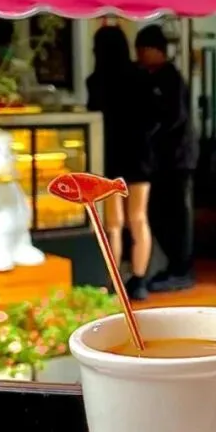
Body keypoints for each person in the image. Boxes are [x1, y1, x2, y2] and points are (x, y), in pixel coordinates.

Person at [86, 23, 153, 295]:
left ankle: (114, 284)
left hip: (110, 155)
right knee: (139, 218)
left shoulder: (95, 81)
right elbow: (152, 116)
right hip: (139, 155)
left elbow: (95, 117)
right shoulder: (141, 76)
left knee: (113, 224)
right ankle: (140, 281)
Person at [135, 23, 199, 293]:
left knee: (176, 216)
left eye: (142, 50)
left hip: (178, 160)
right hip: (163, 161)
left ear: (155, 50)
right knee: (160, 214)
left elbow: (175, 118)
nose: (139, 55)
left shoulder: (170, 78)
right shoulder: (152, 77)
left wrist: (151, 135)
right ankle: (174, 266)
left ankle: (182, 270)